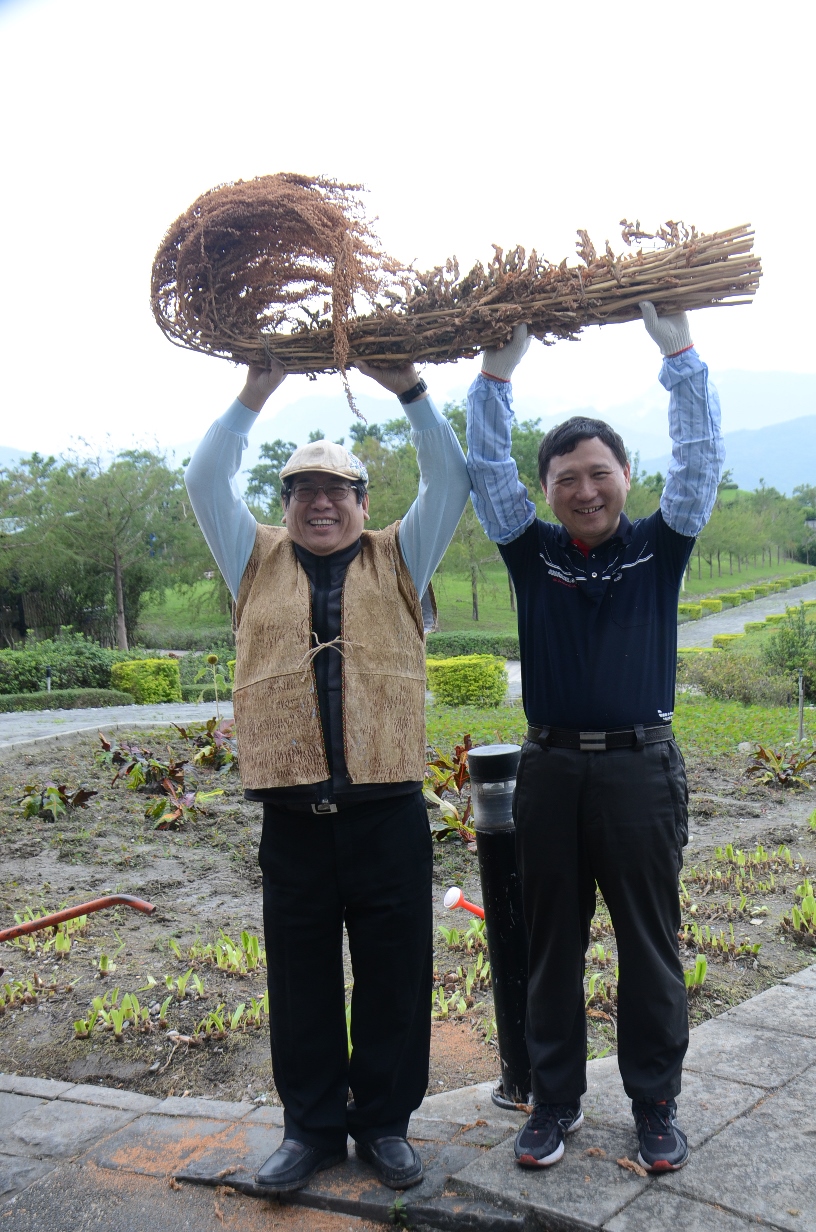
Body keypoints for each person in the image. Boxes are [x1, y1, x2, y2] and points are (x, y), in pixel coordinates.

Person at [185, 357, 470, 1193]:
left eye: (336, 488)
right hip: (293, 822)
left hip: (388, 818)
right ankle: (309, 1131)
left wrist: (410, 389)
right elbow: (206, 475)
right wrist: (257, 385)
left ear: (363, 501)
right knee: (300, 979)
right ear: (283, 503)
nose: (319, 502)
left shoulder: (402, 556)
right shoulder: (250, 557)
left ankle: (383, 1125)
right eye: (302, 489)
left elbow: (448, 475)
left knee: (395, 978)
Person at [465, 303, 724, 1173]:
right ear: (547, 491)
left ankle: (655, 1105)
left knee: (650, 947)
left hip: (641, 772)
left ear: (624, 474)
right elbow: (486, 463)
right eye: (567, 477)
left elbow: (701, 459)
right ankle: (554, 1104)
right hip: (550, 774)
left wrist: (678, 350)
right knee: (550, 950)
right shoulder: (528, 553)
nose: (585, 489)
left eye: (599, 472)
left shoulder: (665, 545)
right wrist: (497, 375)